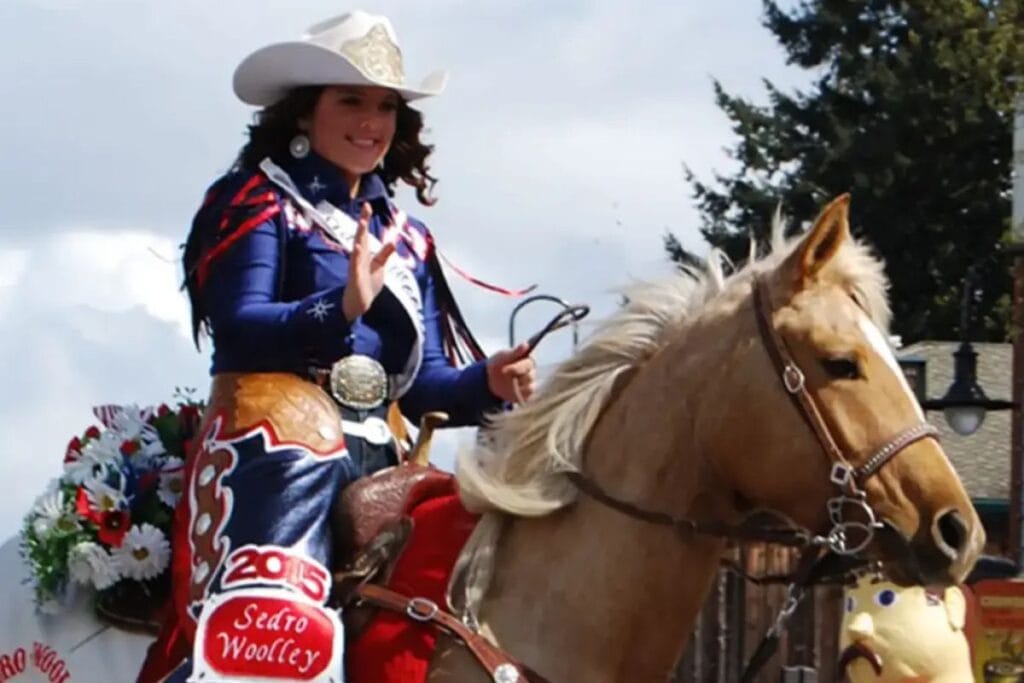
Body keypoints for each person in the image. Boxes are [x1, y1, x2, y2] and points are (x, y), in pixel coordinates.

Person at [137, 10, 535, 681]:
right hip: (277, 453)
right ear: (302, 111)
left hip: (382, 460)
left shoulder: (406, 238)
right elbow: (238, 326)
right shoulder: (258, 200)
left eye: (385, 106)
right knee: (267, 635)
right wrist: (339, 306)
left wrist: (487, 385)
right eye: (350, 99)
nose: (371, 120)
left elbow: (424, 381)